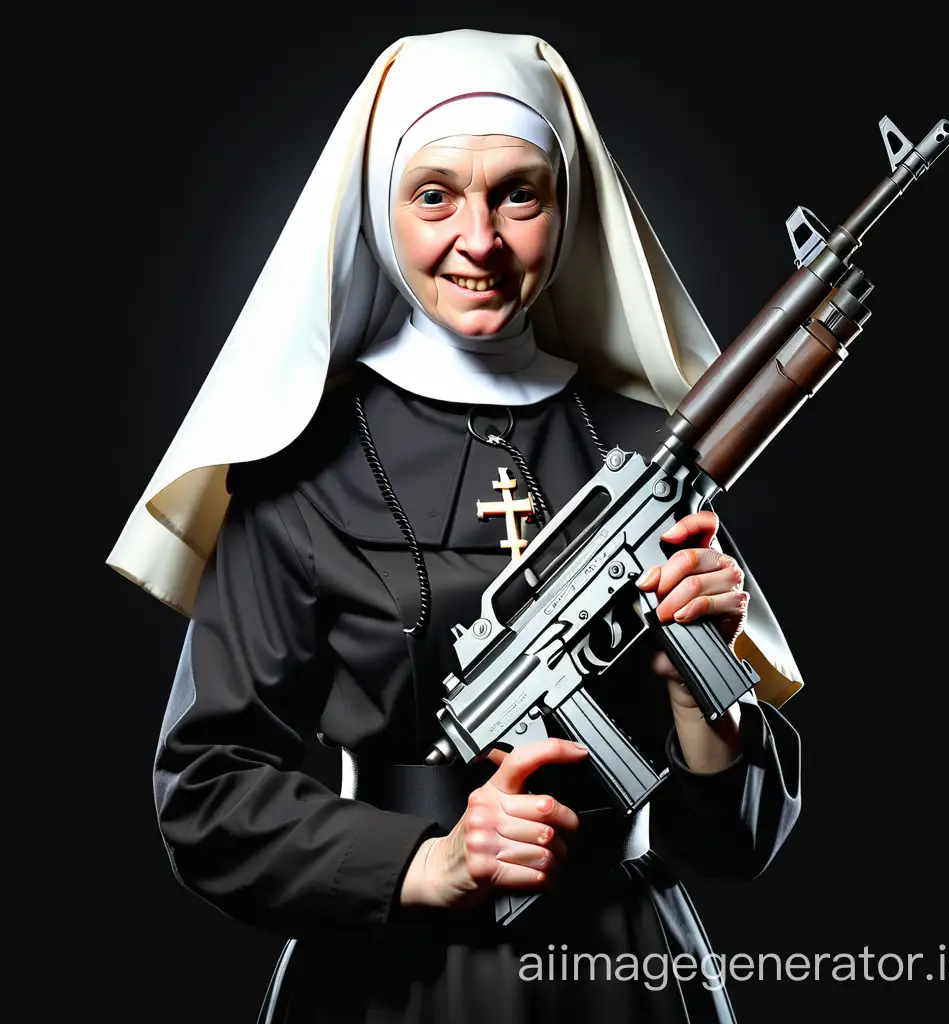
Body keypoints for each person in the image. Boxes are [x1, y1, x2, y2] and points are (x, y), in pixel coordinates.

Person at [108, 29, 802, 1024]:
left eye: (518, 192)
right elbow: (204, 791)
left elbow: (739, 846)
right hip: (385, 982)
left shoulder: (642, 448)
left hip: (629, 976)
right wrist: (425, 861)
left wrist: (701, 698)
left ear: (564, 206)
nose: (478, 239)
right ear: (382, 213)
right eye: (434, 194)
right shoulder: (296, 470)